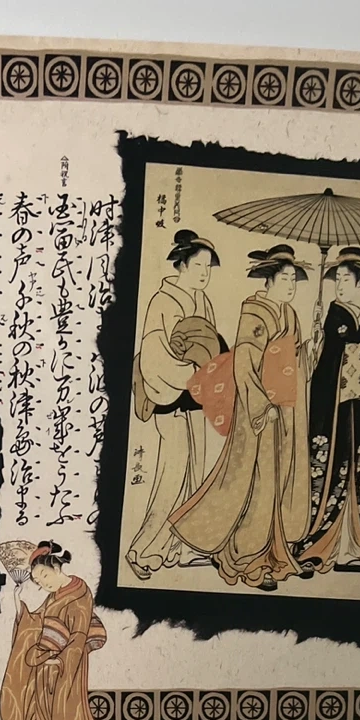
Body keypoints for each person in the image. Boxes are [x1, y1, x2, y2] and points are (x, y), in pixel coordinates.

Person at [168, 245, 314, 592]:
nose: (290, 285)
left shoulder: (290, 313)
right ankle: (245, 558)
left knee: (281, 478)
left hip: (288, 407)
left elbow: (295, 361)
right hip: (259, 411)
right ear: (269, 280)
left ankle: (276, 554)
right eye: (285, 279)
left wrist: (312, 348)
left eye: (293, 279)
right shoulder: (255, 312)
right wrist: (262, 406)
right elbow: (245, 363)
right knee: (256, 482)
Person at [126, 231, 227, 579]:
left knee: (196, 473)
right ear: (182, 265)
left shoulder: (204, 301)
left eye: (208, 267)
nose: (204, 273)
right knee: (172, 473)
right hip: (171, 398)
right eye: (198, 266)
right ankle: (141, 550)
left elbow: (211, 349)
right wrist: (190, 371)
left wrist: (209, 371)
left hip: (197, 398)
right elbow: (154, 354)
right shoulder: (163, 301)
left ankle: (181, 548)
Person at [297, 247, 360, 573]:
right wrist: (318, 340)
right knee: (335, 469)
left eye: (345, 279)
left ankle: (357, 545)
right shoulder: (334, 311)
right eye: (337, 279)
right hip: (337, 402)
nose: (339, 285)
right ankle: (330, 545)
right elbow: (328, 358)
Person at [0, 542, 107, 720]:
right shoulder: (54, 596)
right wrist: (19, 606)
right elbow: (37, 622)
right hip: (43, 668)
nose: (43, 584)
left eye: (44, 576)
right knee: (35, 719)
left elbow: (79, 635)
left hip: (66, 669)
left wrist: (60, 662)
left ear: (57, 567)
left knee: (61, 719)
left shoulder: (80, 595)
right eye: (38, 581)